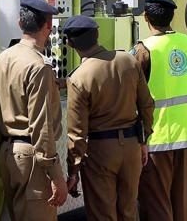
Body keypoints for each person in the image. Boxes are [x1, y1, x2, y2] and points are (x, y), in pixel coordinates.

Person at [63, 15, 154, 221]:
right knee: (129, 212)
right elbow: (147, 104)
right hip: (131, 146)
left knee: (103, 214)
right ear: (97, 35)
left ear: (69, 43)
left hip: (100, 152)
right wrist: (143, 140)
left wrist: (73, 170)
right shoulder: (128, 61)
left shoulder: (78, 78)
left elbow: (77, 133)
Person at [0, 0, 68, 221]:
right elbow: (41, 125)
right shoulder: (39, 66)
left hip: (8, 152)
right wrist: (55, 174)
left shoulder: (4, 57)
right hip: (32, 158)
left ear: (20, 23)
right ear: (49, 26)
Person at [131, 0, 187, 221]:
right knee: (180, 203)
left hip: (154, 142)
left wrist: (139, 136)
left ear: (145, 17)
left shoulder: (143, 50)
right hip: (182, 137)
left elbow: (132, 97)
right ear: (171, 17)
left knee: (156, 204)